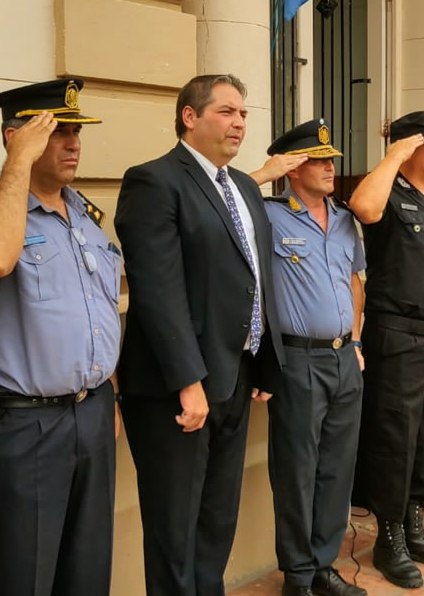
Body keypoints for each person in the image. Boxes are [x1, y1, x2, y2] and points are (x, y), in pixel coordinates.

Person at [114, 74, 285, 596]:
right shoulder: (154, 181)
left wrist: (262, 362)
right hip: (178, 389)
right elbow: (158, 292)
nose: (239, 123)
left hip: (235, 377)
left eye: (244, 114)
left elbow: (256, 277)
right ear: (190, 116)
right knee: (175, 527)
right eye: (227, 112)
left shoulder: (245, 187)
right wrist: (189, 381)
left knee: (215, 521)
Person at [0, 79, 120, 596]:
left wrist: (107, 397)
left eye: (75, 132)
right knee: (20, 573)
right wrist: (17, 168)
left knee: (87, 569)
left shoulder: (87, 218)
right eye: (56, 132)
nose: (72, 143)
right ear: (14, 137)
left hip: (91, 412)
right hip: (24, 421)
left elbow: (103, 311)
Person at [253, 119, 368, 596]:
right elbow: (222, 204)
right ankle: (298, 576)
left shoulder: (344, 218)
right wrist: (264, 171)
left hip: (345, 359)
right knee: (297, 472)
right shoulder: (267, 214)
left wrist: (357, 342)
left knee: (337, 469)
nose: (329, 168)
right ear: (294, 167)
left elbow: (356, 284)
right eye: (318, 161)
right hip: (297, 361)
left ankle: (323, 567)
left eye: (330, 160)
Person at [349, 111, 424, 589]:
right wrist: (393, 151)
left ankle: (415, 523)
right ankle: (389, 535)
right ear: (407, 148)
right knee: (395, 441)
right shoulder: (387, 193)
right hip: (399, 336)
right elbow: (362, 208)